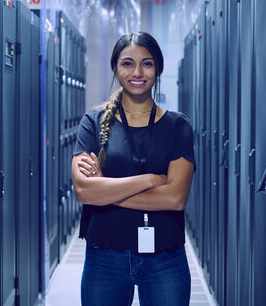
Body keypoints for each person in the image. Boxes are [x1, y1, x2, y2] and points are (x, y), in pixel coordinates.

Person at [72, 31, 196, 306]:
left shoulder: (178, 126)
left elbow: (175, 199)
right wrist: (151, 180)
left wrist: (106, 189)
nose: (137, 72)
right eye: (127, 63)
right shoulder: (92, 123)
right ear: (116, 68)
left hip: (165, 260)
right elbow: (84, 192)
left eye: (147, 63)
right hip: (105, 256)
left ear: (158, 68)